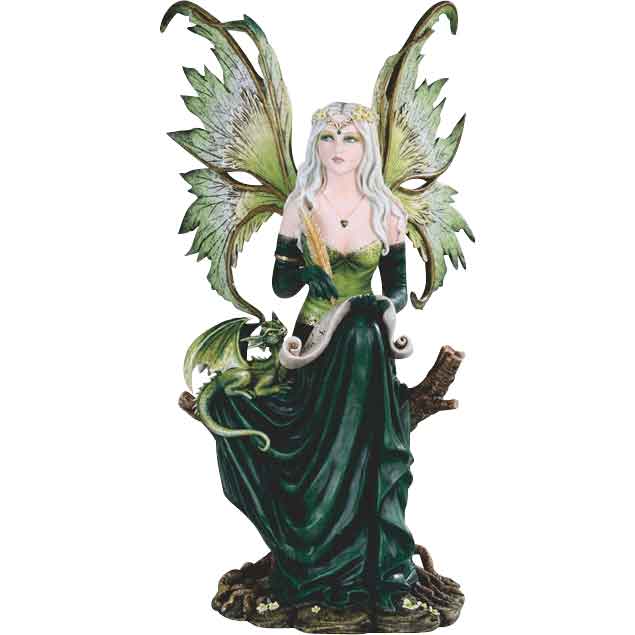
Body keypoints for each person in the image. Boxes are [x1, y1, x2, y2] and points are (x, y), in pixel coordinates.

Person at [206, 102, 423, 627]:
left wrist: (380, 308)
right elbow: (281, 286)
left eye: (350, 138)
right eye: (328, 138)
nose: (338, 149)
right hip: (312, 346)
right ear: (314, 145)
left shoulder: (387, 210)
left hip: (366, 349)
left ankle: (375, 572)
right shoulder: (300, 206)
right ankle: (314, 564)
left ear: (367, 146)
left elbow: (397, 289)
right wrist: (305, 272)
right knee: (304, 453)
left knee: (365, 447)